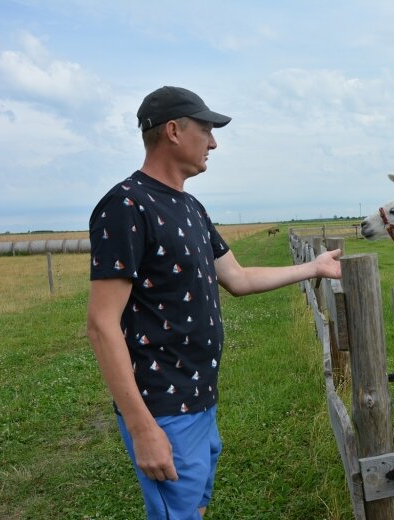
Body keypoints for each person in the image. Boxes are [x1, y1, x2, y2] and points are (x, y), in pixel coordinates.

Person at [86, 86, 342, 519]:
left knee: (195, 507)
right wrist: (141, 425)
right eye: (206, 129)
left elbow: (237, 278)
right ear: (172, 130)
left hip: (201, 400)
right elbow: (101, 323)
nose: (214, 142)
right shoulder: (127, 205)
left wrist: (313, 268)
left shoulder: (191, 208)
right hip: (163, 409)